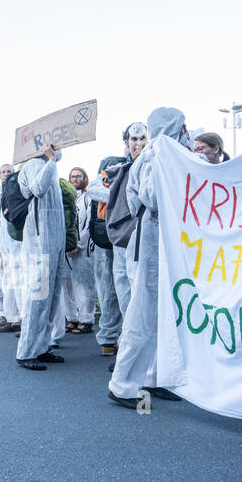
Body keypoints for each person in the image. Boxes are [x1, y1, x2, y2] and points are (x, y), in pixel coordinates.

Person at [108, 109, 186, 408]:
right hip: (148, 244)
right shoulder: (154, 158)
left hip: (158, 244)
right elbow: (152, 199)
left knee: (157, 315)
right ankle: (122, 384)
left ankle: (153, 377)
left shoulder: (160, 156)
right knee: (141, 317)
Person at [87, 123, 149, 356]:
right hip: (122, 240)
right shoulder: (120, 169)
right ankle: (127, 344)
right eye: (133, 139)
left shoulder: (156, 166)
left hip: (148, 241)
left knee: (142, 292)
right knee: (122, 290)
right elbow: (94, 188)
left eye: (143, 138)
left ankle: (136, 346)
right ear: (126, 143)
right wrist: (122, 197)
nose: (138, 144)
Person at [15, 144, 68, 370]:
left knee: (52, 296)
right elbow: (37, 189)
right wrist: (51, 161)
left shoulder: (50, 167)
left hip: (55, 239)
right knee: (39, 296)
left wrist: (52, 162)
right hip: (40, 240)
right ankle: (26, 352)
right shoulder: (32, 165)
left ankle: (43, 346)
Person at [64, 166, 96, 334]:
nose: (75, 179)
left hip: (83, 249)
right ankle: (71, 318)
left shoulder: (88, 197)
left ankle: (86, 319)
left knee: (85, 284)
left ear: (84, 179)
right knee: (66, 285)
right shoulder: (67, 199)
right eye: (72, 176)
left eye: (78, 176)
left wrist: (77, 244)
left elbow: (89, 223)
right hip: (66, 250)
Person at [0, 163, 23, 334]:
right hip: (5, 245)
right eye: (3, 171)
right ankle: (12, 319)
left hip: (16, 243)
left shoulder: (16, 190)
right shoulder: (0, 193)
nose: (6, 174)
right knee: (7, 284)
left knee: (19, 282)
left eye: (9, 172)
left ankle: (21, 318)